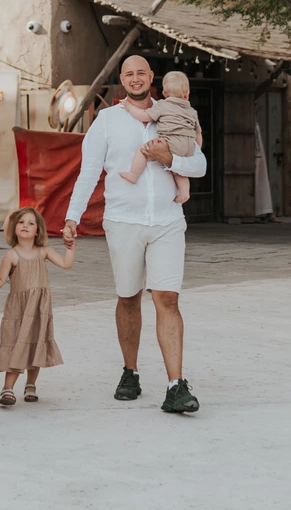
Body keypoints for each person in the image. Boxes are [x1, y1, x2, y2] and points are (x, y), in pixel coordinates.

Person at [63, 53, 206, 416]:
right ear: (122, 79)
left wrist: (168, 158)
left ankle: (176, 386)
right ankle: (131, 372)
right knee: (128, 298)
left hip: (167, 221)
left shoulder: (174, 111)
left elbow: (200, 163)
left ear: (152, 77)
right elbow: (89, 171)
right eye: (129, 74)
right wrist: (72, 217)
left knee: (167, 299)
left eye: (142, 72)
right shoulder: (107, 120)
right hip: (124, 222)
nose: (136, 78)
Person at [0, 205, 75, 406]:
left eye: (31, 223)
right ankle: (7, 388)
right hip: (19, 311)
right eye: (21, 222)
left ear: (38, 230)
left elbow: (66, 264)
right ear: (14, 228)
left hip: (39, 308)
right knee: (17, 345)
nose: (25, 226)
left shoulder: (44, 252)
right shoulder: (12, 255)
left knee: (36, 343)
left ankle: (31, 384)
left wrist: (70, 247)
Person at [117, 70, 202, 201]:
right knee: (178, 169)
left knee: (143, 149)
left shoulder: (163, 105)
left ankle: (133, 174)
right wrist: (196, 149)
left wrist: (129, 107)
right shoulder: (192, 111)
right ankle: (185, 192)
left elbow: (144, 116)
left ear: (164, 93)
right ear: (187, 94)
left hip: (170, 142)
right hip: (189, 146)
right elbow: (198, 134)